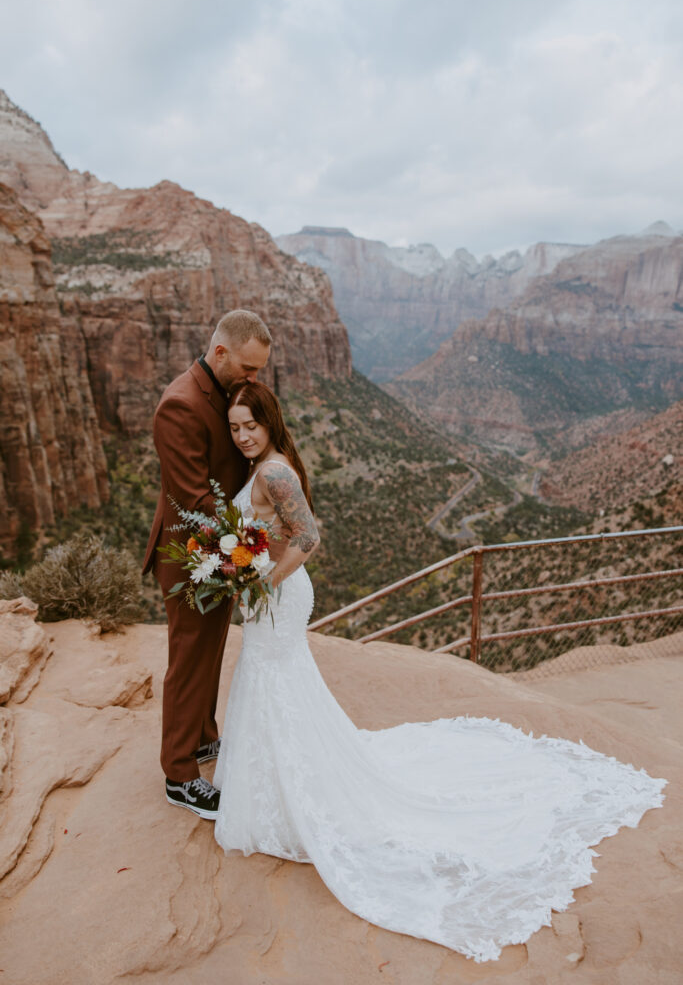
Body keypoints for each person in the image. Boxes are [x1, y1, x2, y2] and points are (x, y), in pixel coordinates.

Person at [213, 381, 666, 962]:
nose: (244, 435)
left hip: (278, 596)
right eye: (235, 427)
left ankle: (295, 791)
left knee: (278, 683)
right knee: (273, 684)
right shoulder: (266, 468)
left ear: (270, 422)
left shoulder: (276, 473)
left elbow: (308, 536)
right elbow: (264, 535)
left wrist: (263, 584)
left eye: (251, 424)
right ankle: (274, 784)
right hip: (265, 597)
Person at [143, 310, 272, 819]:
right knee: (189, 659)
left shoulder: (221, 391)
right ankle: (179, 776)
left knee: (211, 651)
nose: (253, 380)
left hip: (219, 549)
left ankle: (202, 739)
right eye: (247, 369)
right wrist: (253, 544)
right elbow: (196, 498)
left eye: (259, 371)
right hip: (189, 555)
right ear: (220, 353)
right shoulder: (179, 405)